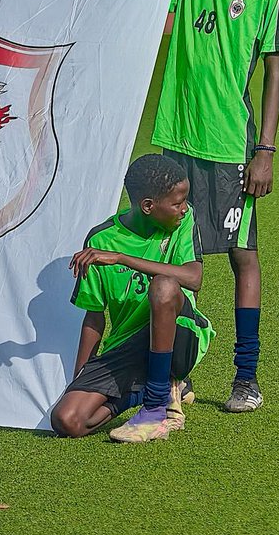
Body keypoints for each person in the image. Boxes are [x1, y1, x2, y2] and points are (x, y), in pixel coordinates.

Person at [151, 0, 279, 412]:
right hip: (175, 139)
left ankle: (245, 376)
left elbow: (274, 71)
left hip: (231, 143)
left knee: (240, 256)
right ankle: (173, 373)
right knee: (171, 255)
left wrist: (265, 149)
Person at [51, 154, 214, 443]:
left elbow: (193, 278)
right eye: (177, 203)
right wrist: (80, 377)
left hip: (181, 335)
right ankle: (157, 388)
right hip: (127, 347)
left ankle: (154, 410)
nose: (184, 208)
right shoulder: (100, 241)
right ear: (148, 206)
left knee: (163, 287)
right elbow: (94, 314)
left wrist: (123, 259)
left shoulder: (184, 222)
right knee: (68, 420)